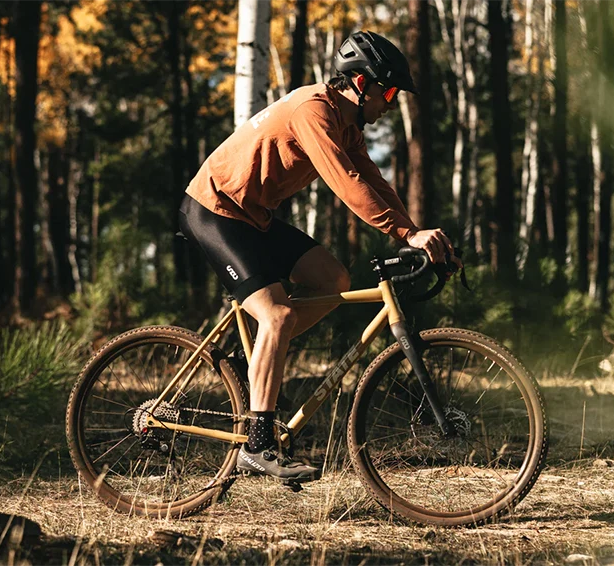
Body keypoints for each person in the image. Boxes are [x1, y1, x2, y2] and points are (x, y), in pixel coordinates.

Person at [178, 30, 459, 481]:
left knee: (334, 280)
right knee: (277, 317)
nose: (390, 104)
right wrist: (406, 232)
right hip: (214, 209)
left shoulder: (347, 125)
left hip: (254, 216)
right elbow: (347, 183)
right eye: (388, 91)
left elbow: (374, 181)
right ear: (360, 83)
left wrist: (415, 233)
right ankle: (257, 445)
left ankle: (253, 364)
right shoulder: (315, 111)